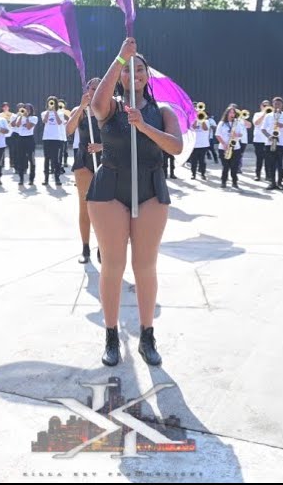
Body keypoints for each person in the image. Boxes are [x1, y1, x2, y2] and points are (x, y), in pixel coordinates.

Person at [87, 39, 183, 368]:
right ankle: (112, 334)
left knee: (145, 266)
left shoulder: (163, 111)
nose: (133, 74)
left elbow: (175, 147)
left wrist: (142, 125)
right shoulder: (110, 107)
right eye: (128, 71)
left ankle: (147, 336)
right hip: (110, 190)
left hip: (151, 189)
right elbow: (97, 102)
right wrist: (120, 57)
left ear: (147, 75)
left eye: (138, 68)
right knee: (113, 265)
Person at [67, 78, 104, 263]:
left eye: (99, 88)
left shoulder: (109, 109)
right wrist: (81, 107)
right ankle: (85, 248)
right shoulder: (79, 111)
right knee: (85, 207)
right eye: (92, 88)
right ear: (87, 89)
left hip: (105, 161)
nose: (95, 90)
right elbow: (68, 130)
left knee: (103, 208)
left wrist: (102, 146)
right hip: (83, 162)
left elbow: (119, 137)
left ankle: (102, 247)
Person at [41, 96, 70, 187]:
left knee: (56, 160)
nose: (51, 104)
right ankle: (46, 179)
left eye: (53, 102)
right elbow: (44, 121)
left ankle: (57, 178)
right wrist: (49, 112)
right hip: (47, 138)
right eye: (50, 102)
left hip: (57, 139)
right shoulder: (44, 113)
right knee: (47, 159)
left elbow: (59, 122)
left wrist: (54, 112)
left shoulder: (60, 113)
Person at [215, 105, 246, 189]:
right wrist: (224, 144)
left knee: (234, 166)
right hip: (224, 147)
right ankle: (223, 182)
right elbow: (217, 135)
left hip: (235, 148)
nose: (232, 114)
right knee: (225, 166)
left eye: (233, 113)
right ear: (227, 113)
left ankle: (234, 182)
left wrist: (236, 134)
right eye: (230, 112)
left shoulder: (237, 122)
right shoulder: (222, 123)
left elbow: (241, 134)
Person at [188, 110, 210, 180]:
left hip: (203, 145)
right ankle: (193, 174)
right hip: (194, 145)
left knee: (202, 161)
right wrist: (195, 120)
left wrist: (202, 120)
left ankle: (203, 174)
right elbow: (193, 127)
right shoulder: (192, 121)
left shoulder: (206, 121)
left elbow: (205, 129)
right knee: (193, 161)